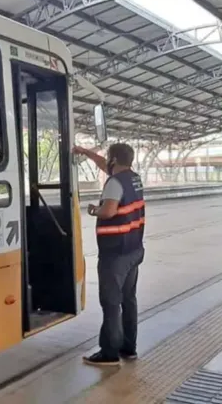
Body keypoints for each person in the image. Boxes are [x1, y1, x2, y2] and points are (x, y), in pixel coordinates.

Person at [73, 143, 145, 366]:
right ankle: (128, 347)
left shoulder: (114, 183)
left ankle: (109, 353)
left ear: (114, 159)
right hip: (134, 249)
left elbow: (109, 211)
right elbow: (105, 165)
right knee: (128, 300)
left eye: (109, 159)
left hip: (115, 254)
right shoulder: (133, 178)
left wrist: (94, 209)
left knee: (111, 303)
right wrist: (85, 152)